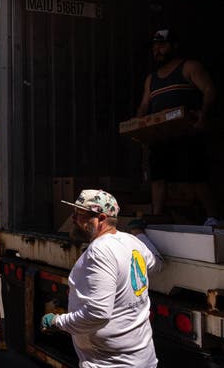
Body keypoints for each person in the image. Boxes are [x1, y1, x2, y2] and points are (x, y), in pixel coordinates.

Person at [41, 189, 158, 367]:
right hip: (140, 358)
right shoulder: (131, 241)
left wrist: (57, 321)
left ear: (101, 219)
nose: (72, 219)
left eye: (79, 214)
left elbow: (97, 314)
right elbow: (157, 262)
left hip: (111, 363)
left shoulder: (100, 251)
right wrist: (139, 233)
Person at [135, 28, 219, 225]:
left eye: (162, 45)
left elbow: (209, 90)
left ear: (174, 46)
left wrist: (203, 118)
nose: (157, 50)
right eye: (155, 46)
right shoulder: (152, 79)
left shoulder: (189, 67)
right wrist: (139, 128)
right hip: (160, 135)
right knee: (158, 176)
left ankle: (213, 217)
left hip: (186, 131)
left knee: (195, 173)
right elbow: (144, 106)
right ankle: (158, 216)